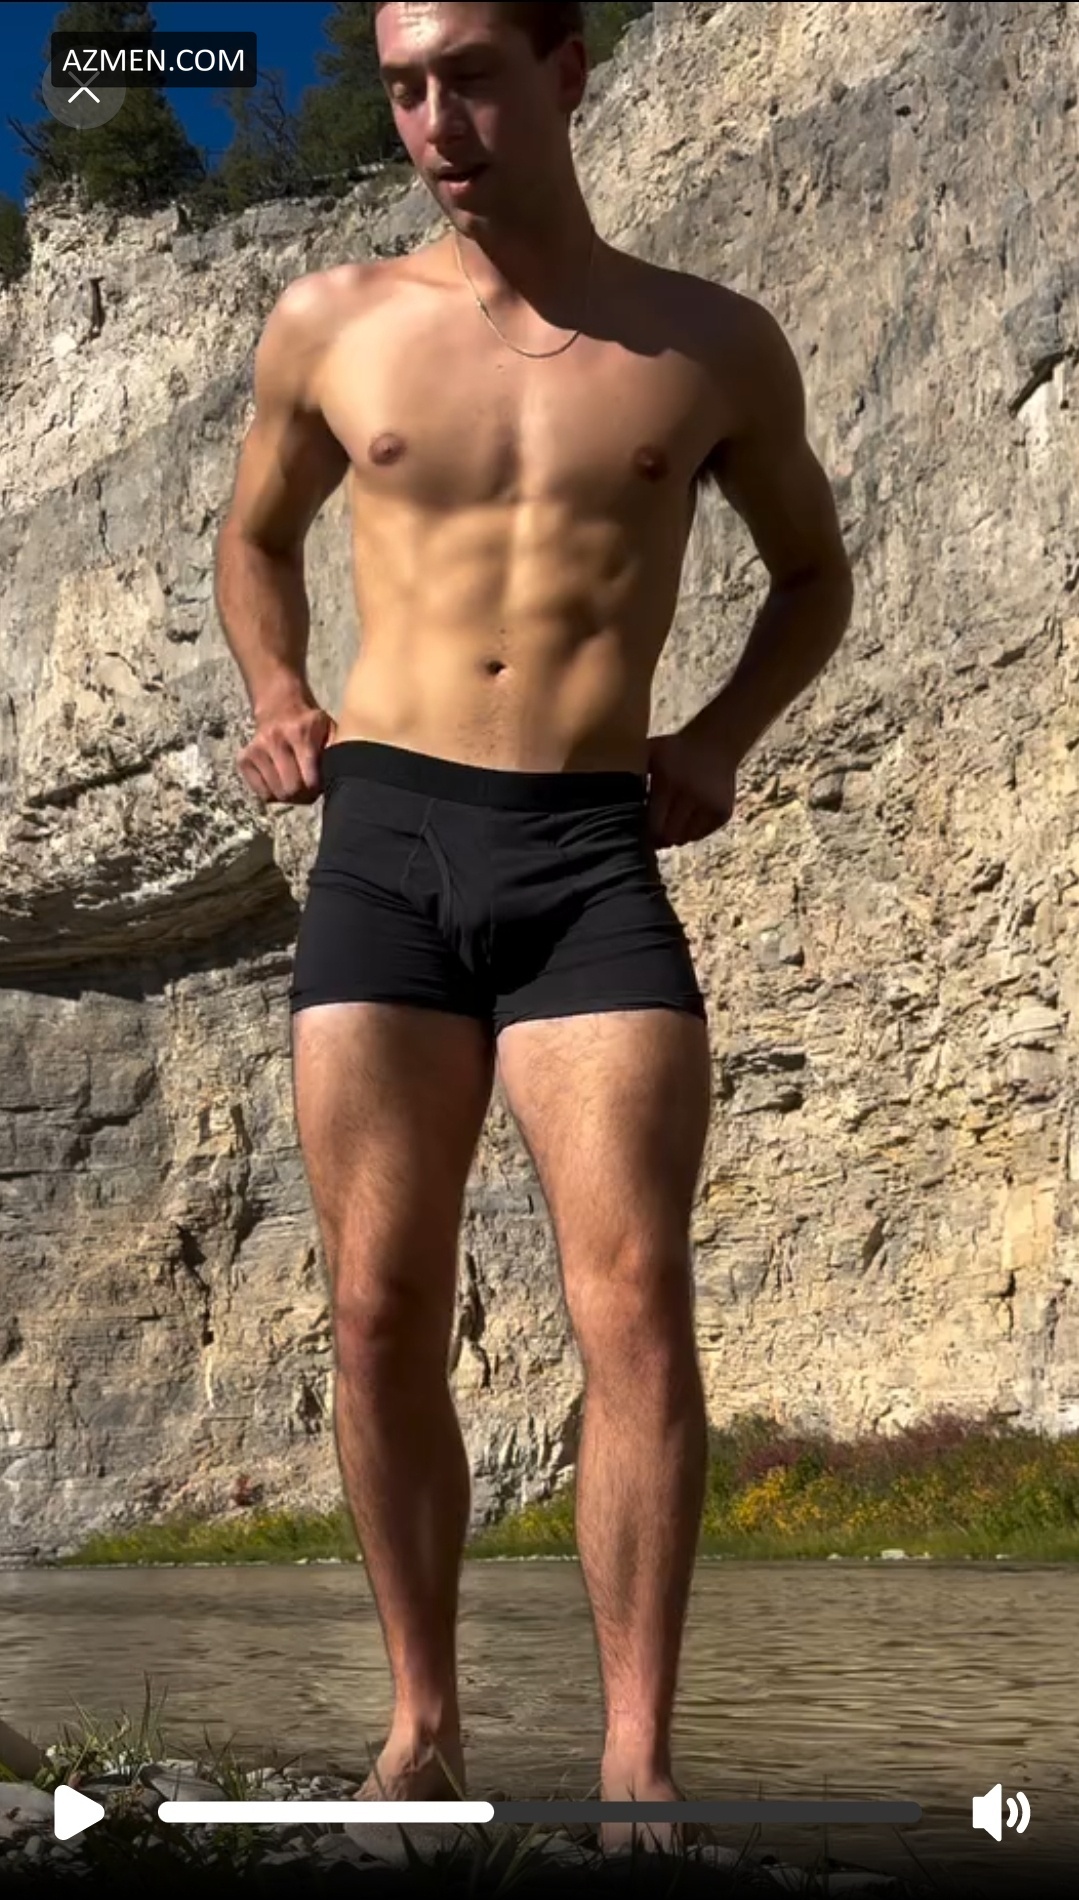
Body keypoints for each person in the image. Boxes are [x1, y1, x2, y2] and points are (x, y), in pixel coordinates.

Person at [214, 0, 853, 1854]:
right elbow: (254, 539)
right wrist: (276, 689)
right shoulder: (333, 322)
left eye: (474, 76)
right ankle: (423, 1726)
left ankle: (637, 1762)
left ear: (565, 72)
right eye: (405, 87)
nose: (438, 121)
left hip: (586, 852)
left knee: (635, 1302)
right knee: (374, 1305)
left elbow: (811, 577)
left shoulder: (708, 342)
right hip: (384, 841)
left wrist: (717, 741)